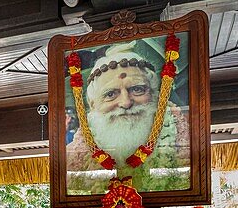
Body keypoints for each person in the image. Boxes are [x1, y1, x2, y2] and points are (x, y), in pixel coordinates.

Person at [66, 41, 190, 178]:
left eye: (137, 89)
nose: (126, 103)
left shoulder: (184, 145)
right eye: (110, 94)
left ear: (154, 95)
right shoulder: (73, 159)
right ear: (92, 104)